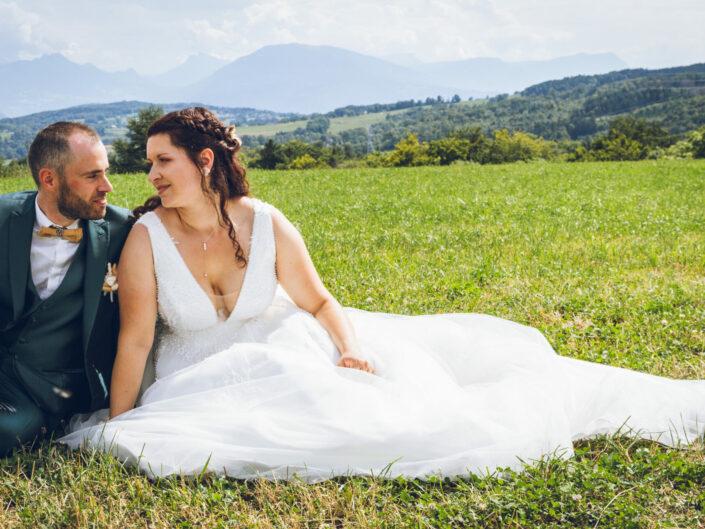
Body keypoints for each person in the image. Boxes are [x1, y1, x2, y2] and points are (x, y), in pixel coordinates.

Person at [61, 108, 705, 481]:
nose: (149, 176)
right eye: (147, 163)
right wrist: (124, 420)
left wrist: (349, 349)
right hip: (195, 365)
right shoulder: (146, 238)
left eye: (162, 162)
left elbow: (318, 303)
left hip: (287, 335)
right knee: (272, 392)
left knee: (355, 393)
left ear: (202, 161)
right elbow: (138, 337)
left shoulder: (268, 222)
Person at [0, 122, 131, 455]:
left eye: (106, 173)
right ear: (49, 179)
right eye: (92, 176)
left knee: (12, 430)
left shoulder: (126, 231)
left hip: (64, 385)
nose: (108, 187)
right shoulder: (4, 217)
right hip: (5, 370)